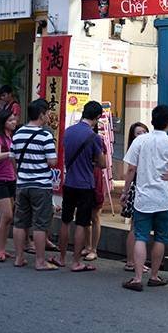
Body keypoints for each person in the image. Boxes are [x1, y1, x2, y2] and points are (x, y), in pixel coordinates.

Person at [121, 104, 168, 292]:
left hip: (143, 199)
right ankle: (154, 276)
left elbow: (131, 169)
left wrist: (125, 191)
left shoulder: (140, 141)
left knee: (140, 236)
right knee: (161, 238)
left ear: (152, 121)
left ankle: (137, 278)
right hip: (164, 198)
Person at [56, 100, 107, 272]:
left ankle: (61, 257)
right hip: (85, 184)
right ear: (98, 117)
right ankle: (76, 261)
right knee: (81, 223)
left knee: (65, 221)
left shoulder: (68, 132)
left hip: (69, 182)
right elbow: (103, 163)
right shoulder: (94, 137)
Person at [11, 99, 59, 270]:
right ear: (41, 115)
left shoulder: (18, 133)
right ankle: (39, 261)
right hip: (40, 185)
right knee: (40, 224)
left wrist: (20, 174)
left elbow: (12, 158)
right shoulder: (45, 135)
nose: (48, 116)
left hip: (22, 183)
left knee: (20, 222)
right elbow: (52, 162)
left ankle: (19, 258)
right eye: (46, 113)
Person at [120, 121, 149, 272]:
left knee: (137, 226)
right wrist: (125, 191)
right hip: (137, 189)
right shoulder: (136, 150)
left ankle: (135, 260)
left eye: (144, 132)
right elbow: (131, 170)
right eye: (138, 133)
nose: (142, 135)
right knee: (135, 226)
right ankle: (132, 261)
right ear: (132, 136)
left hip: (141, 189)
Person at [0, 108, 18, 261]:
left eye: (14, 119)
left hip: (11, 179)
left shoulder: (11, 138)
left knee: (7, 217)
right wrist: (11, 152)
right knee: (6, 215)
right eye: (10, 120)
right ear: (3, 123)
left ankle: (1, 247)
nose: (14, 122)